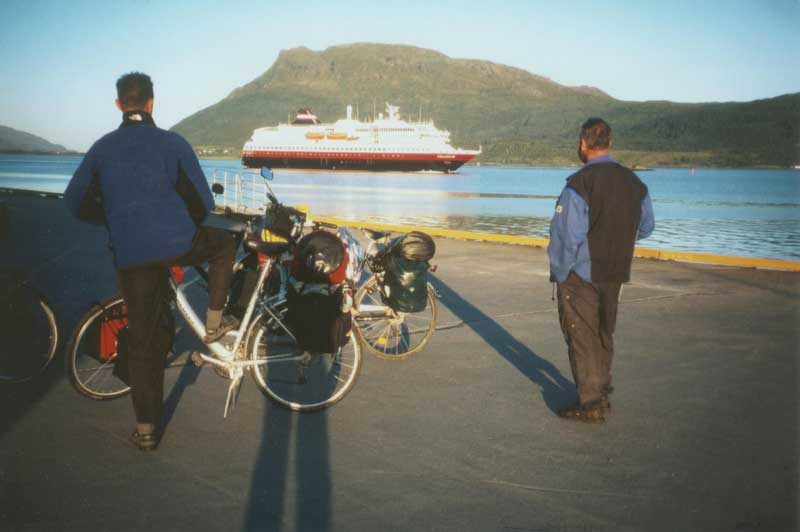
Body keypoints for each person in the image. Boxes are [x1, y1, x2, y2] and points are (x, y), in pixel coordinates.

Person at [64, 72, 239, 450]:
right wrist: (178, 224)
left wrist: (114, 219)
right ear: (151, 103)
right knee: (225, 244)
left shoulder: (101, 148)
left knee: (142, 340)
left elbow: (74, 201)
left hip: (131, 253)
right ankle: (214, 320)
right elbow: (203, 204)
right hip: (178, 242)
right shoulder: (172, 143)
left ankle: (146, 428)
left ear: (118, 105)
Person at [547, 118, 655, 423]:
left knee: (582, 335)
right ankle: (602, 391)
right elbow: (646, 226)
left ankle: (591, 402)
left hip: (581, 273)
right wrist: (618, 240)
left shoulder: (580, 183)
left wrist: (560, 271)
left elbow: (567, 237)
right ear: (609, 143)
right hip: (617, 270)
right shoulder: (635, 183)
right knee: (605, 332)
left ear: (583, 143)